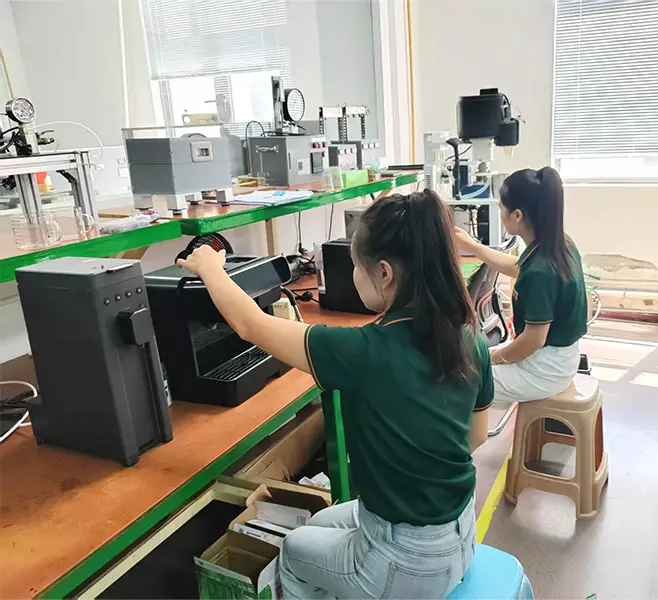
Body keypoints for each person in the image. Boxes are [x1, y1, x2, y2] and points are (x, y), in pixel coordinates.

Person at [177, 189, 493, 599]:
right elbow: (476, 436)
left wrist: (209, 267)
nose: (353, 275)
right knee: (318, 524)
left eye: (355, 266)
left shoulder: (365, 351)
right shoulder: (468, 337)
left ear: (384, 273)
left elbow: (250, 325)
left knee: (293, 549)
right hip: (459, 535)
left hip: (406, 563)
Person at [455, 167, 587, 406]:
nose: (500, 214)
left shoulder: (541, 271)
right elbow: (519, 268)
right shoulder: (560, 245)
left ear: (517, 215)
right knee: (468, 360)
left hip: (543, 370)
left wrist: (495, 357)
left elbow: (532, 341)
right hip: (559, 357)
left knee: (457, 383)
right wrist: (472, 245)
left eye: (501, 208)